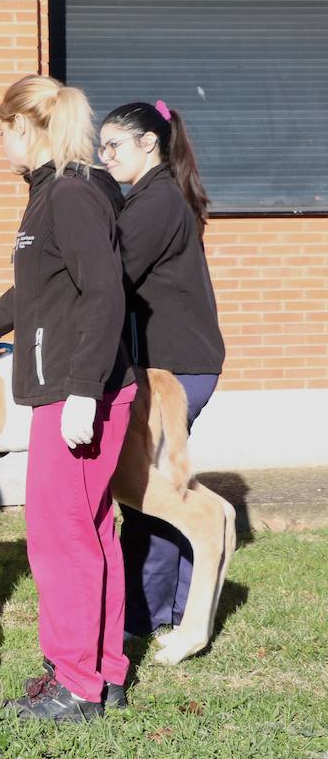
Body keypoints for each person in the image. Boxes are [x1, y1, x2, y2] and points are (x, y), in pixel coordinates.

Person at [0, 74, 135, 722]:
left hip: (78, 390)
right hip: (72, 384)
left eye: (2, 131)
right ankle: (100, 672)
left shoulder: (72, 195)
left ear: (23, 127)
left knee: (61, 539)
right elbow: (41, 292)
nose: (0, 144)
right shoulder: (50, 195)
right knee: (93, 531)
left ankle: (75, 686)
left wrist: (82, 392)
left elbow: (104, 293)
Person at [98, 100, 224, 639]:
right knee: (158, 487)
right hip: (184, 363)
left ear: (149, 144)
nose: (104, 157)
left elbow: (110, 277)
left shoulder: (152, 202)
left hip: (175, 368)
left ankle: (146, 616)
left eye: (113, 146)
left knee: (143, 493)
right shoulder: (156, 195)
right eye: (100, 147)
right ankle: (172, 607)